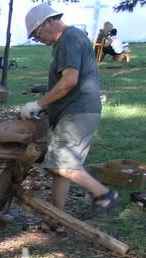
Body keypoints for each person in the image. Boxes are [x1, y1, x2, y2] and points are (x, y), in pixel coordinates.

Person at [21, 3, 120, 227]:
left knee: (62, 165)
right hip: (74, 110)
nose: (37, 39)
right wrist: (47, 106)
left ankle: (104, 194)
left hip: (78, 112)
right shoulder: (66, 40)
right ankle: (55, 218)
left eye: (36, 34)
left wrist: (38, 103)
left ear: (49, 22)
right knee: (60, 169)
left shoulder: (69, 39)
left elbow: (69, 80)